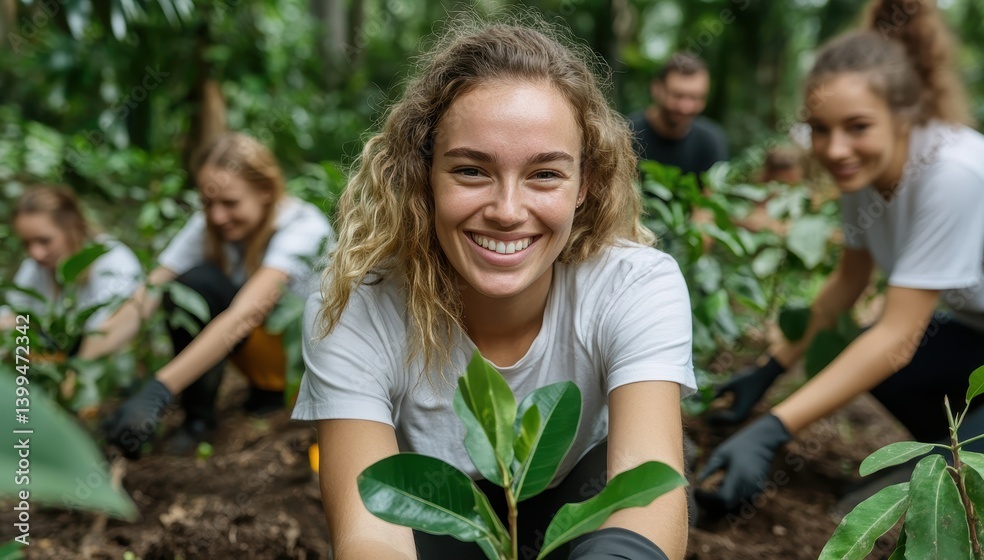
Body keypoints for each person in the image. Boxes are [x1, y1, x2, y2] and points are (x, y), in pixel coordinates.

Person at [290, 20, 696, 560]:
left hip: (581, 513)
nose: (507, 211)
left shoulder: (635, 284)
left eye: (545, 175)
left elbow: (650, 491)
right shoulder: (353, 302)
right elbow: (370, 533)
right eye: (471, 171)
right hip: (442, 520)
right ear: (423, 174)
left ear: (585, 185)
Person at [696, 0, 984, 515]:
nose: (834, 149)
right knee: (880, 366)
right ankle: (959, 453)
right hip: (983, 332)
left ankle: (968, 470)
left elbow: (897, 337)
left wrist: (772, 430)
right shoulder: (863, 171)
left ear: (904, 116)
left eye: (857, 126)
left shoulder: (952, 173)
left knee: (961, 490)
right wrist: (770, 369)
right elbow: (847, 284)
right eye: (819, 128)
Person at [98, 132, 332, 456]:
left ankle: (272, 396)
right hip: (259, 353)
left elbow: (248, 312)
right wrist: (81, 361)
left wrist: (157, 391)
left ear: (265, 192)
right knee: (186, 286)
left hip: (306, 365)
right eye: (208, 202)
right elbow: (150, 291)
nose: (217, 216)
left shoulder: (302, 228)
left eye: (230, 203)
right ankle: (199, 419)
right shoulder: (211, 223)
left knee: (201, 284)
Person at [1, 186, 142, 352]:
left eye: (44, 241)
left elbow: (112, 330)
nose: (36, 254)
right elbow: (14, 313)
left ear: (72, 229)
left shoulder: (113, 261)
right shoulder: (34, 268)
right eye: (26, 243)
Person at [629, 52, 729, 177]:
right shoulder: (626, 135)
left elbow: (713, 194)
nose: (685, 108)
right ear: (656, 89)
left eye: (695, 97)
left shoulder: (710, 142)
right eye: (677, 95)